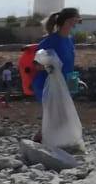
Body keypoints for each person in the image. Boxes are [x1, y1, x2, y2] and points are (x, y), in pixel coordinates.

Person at [32, 8, 83, 141]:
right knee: (55, 114)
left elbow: (69, 64)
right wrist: (52, 70)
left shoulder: (70, 40)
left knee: (64, 114)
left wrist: (76, 80)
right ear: (67, 21)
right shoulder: (50, 41)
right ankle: (41, 140)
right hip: (49, 84)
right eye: (76, 19)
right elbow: (37, 64)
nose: (78, 22)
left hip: (67, 82)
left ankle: (57, 141)